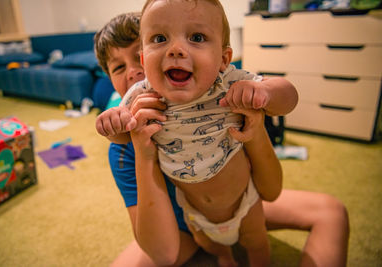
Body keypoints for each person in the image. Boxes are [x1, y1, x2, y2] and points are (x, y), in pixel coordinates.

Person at [94, 10, 349, 267]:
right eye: (119, 67)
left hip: (239, 200)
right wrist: (140, 149)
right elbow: (163, 253)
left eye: (192, 37)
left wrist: (257, 123)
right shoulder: (125, 145)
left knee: (331, 213)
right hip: (185, 225)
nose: (135, 73)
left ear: (222, 58)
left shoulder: (224, 96)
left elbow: (271, 190)